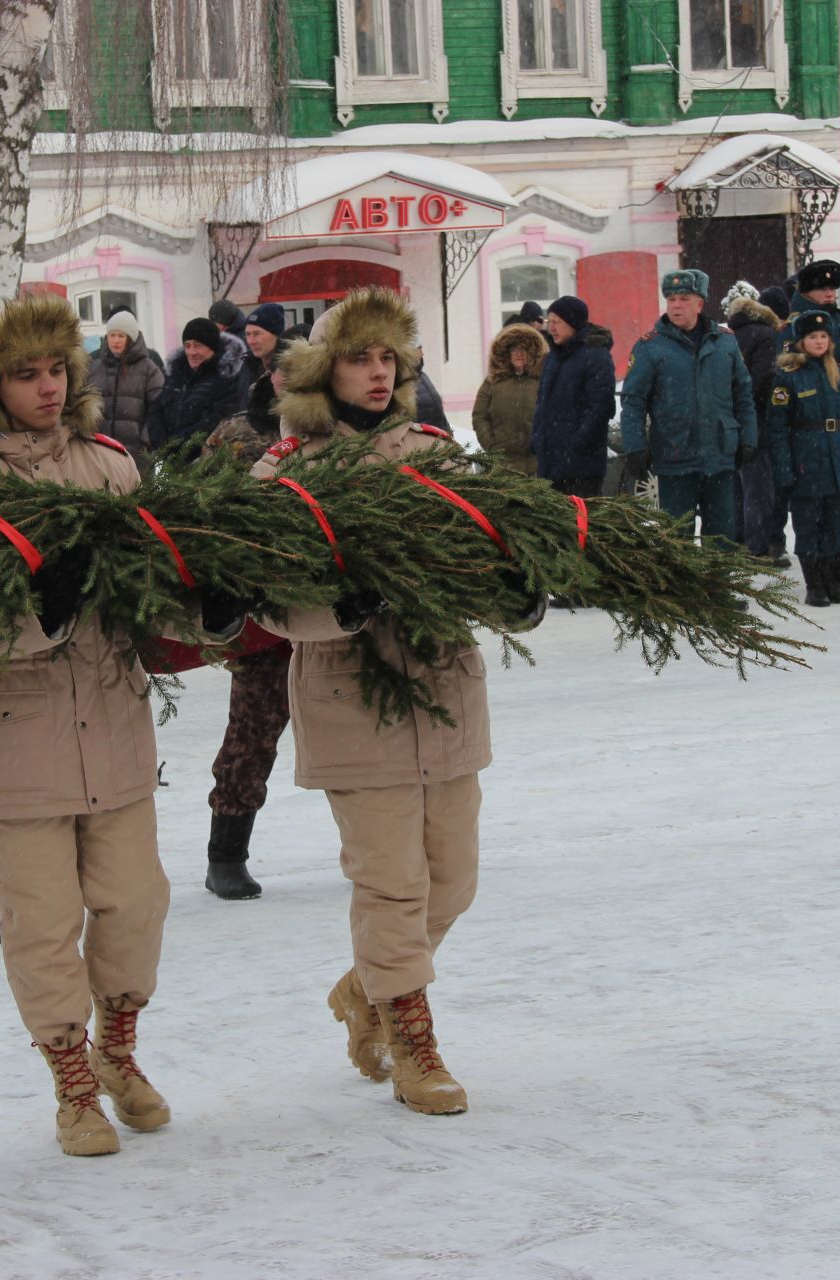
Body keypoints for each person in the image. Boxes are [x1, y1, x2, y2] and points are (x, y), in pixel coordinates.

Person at [251, 285, 534, 1116]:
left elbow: (482, 555)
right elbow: (265, 597)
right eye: (358, 359)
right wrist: (335, 610)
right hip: (351, 698)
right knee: (392, 886)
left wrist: (513, 592)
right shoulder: (288, 469)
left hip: (444, 688)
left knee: (454, 879)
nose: (377, 373)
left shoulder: (436, 455)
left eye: (388, 359)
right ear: (322, 371)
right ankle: (412, 1040)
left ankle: (363, 989)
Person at [0, 291, 184, 1158]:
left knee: (135, 904)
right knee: (40, 920)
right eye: (25, 373)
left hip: (110, 720)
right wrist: (39, 613)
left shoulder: (111, 465)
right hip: (12, 731)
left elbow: (154, 592)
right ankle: (72, 1079)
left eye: (56, 372)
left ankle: (120, 1050)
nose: (44, 387)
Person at [198, 345, 300, 901]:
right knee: (253, 732)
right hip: (262, 612)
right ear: (271, 372)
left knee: (354, 727)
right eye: (288, 368)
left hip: (333, 608)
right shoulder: (237, 433)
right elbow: (203, 506)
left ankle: (376, 840)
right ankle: (226, 853)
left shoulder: (333, 433)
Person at [619, 271, 754, 544]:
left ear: (699, 304)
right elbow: (633, 401)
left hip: (719, 454)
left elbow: (743, 395)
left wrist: (749, 438)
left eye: (684, 298)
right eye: (671, 299)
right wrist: (635, 446)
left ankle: (718, 586)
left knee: (721, 538)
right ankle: (681, 588)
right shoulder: (651, 346)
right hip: (674, 455)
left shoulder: (725, 341)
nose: (676, 305)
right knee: (676, 538)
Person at [783, 259, 840, 589]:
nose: (829, 293)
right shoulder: (793, 327)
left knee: (839, 509)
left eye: (833, 288)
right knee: (814, 514)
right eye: (822, 288)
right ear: (806, 291)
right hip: (810, 435)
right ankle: (820, 574)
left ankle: (838, 565)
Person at [767, 311, 840, 607]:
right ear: (800, 342)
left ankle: (832, 580)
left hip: (839, 458)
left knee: (836, 523)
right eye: (812, 337)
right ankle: (815, 585)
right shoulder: (788, 378)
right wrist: (784, 470)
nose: (819, 342)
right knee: (809, 525)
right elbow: (777, 429)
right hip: (807, 459)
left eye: (823, 337)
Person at [531, 294, 616, 501]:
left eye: (557, 322)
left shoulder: (595, 355)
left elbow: (601, 406)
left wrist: (577, 443)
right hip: (550, 464)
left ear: (573, 323)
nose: (551, 328)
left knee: (582, 524)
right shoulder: (553, 357)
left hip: (582, 467)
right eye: (549, 322)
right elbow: (542, 403)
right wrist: (538, 436)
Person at [725, 285, 787, 565]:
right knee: (759, 487)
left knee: (737, 486)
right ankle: (758, 547)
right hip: (757, 419)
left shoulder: (731, 336)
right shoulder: (766, 336)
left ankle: (737, 540)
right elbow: (764, 379)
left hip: (729, 420)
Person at [146, 316, 244, 458]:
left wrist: (176, 443)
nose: (192, 352)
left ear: (212, 348)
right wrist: (161, 441)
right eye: (187, 345)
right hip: (167, 460)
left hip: (205, 464)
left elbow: (215, 422)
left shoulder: (226, 379)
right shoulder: (175, 374)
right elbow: (156, 408)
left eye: (198, 345)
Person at [85, 311, 164, 470]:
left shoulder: (149, 369)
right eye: (112, 335)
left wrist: (145, 441)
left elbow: (160, 408)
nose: (115, 341)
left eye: (121, 336)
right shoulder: (94, 368)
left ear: (131, 338)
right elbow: (82, 403)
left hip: (135, 456)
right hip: (98, 452)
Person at [471, 321, 547, 475]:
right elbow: (480, 415)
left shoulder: (543, 380)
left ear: (532, 352)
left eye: (524, 349)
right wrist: (491, 445)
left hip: (537, 466)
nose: (519, 353)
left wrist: (545, 444)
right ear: (506, 352)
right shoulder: (493, 381)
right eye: (514, 349)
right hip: (503, 467)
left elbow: (555, 414)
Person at [239, 301, 287, 399]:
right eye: (248, 334)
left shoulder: (289, 369)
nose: (251, 341)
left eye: (257, 334)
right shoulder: (248, 367)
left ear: (276, 334)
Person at [411, 346, 452, 433]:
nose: (423, 353)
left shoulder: (422, 376)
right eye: (419, 348)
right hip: (424, 444)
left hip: (440, 442)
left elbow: (440, 416)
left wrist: (450, 437)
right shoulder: (402, 383)